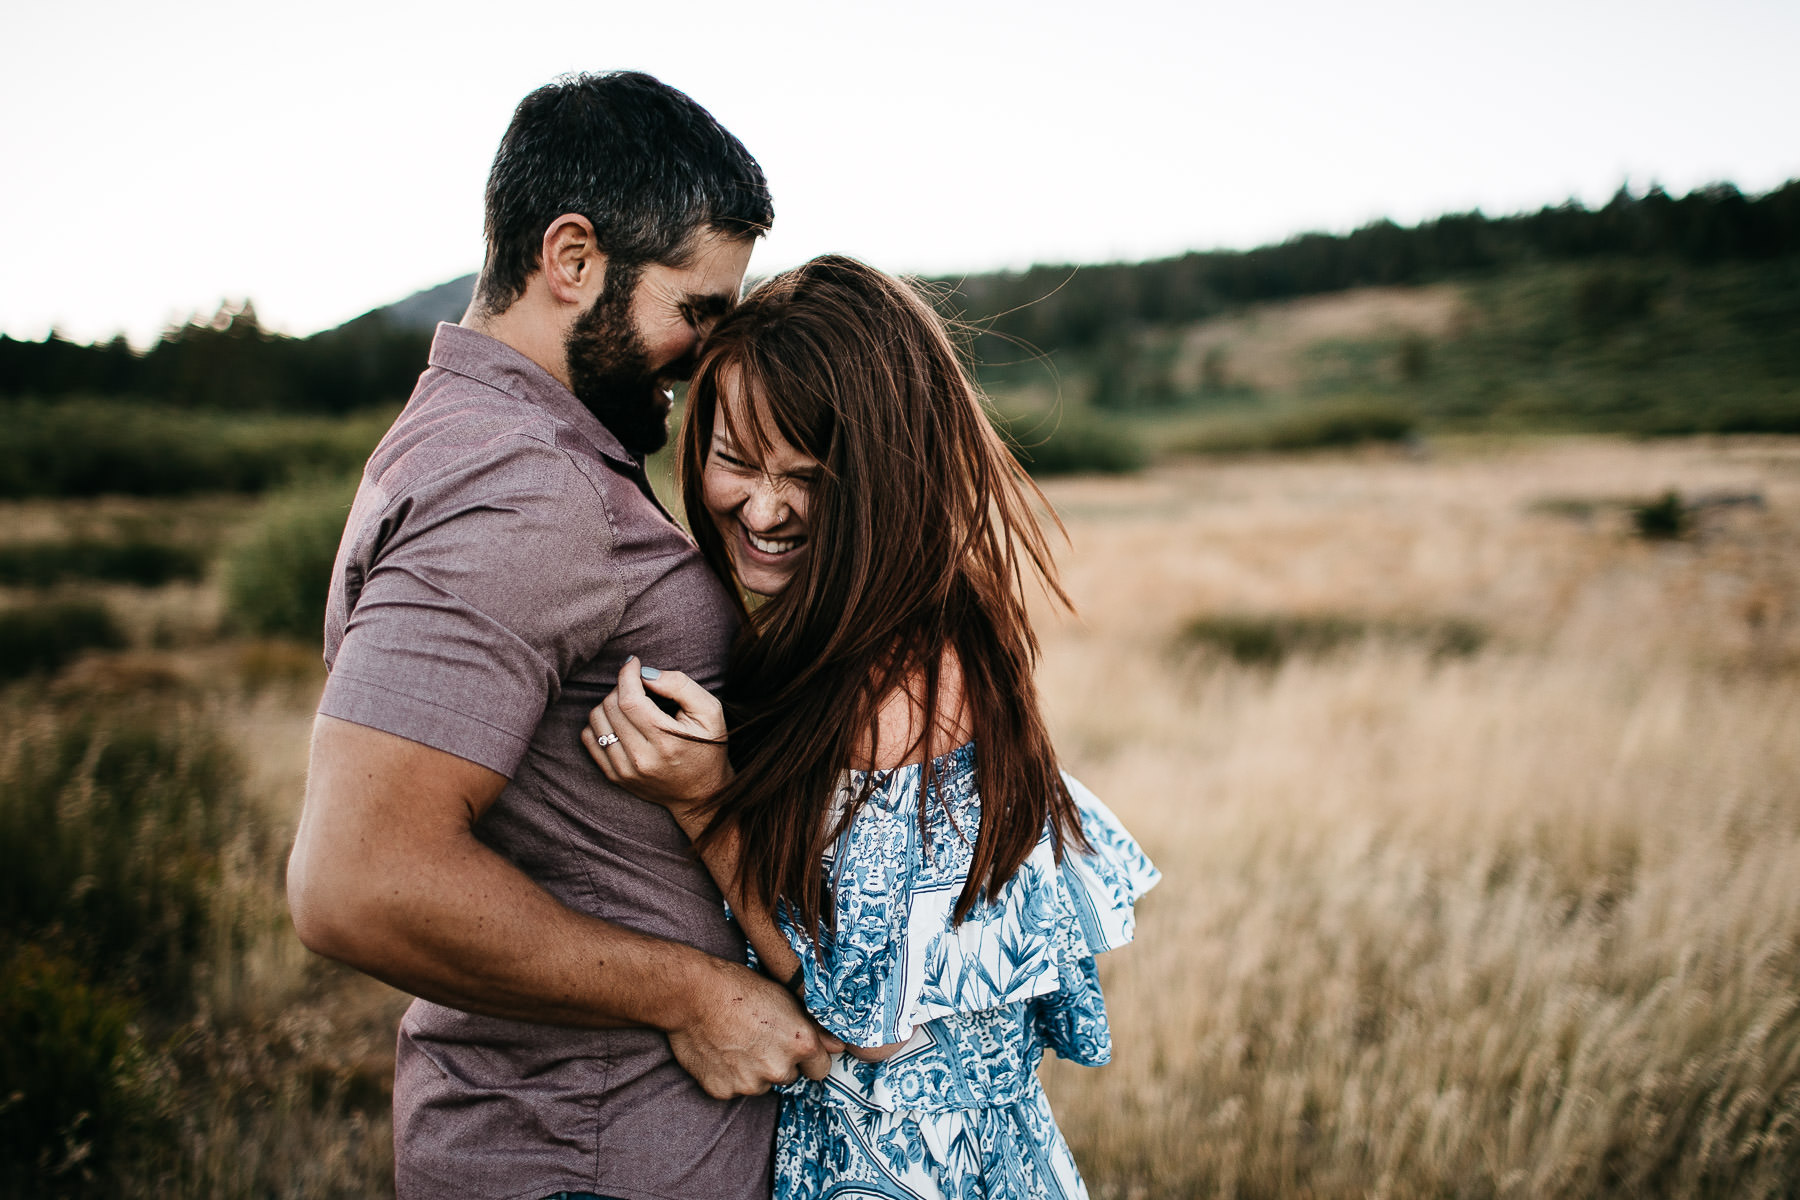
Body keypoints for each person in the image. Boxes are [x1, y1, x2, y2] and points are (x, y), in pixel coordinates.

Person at [286, 72, 841, 1200]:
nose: (705, 357)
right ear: (574, 258)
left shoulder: (482, 441)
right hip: (582, 1160)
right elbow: (356, 879)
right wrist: (693, 994)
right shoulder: (521, 488)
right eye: (696, 312)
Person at [583, 256, 1160, 1199]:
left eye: (804, 478)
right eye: (732, 459)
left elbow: (868, 1012)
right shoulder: (913, 620)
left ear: (886, 480)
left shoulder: (898, 686)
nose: (761, 509)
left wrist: (702, 804)